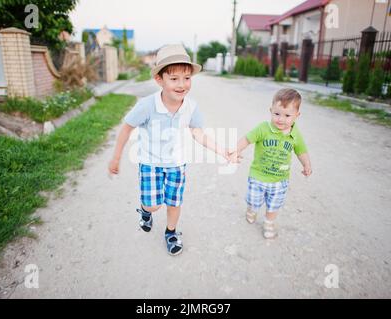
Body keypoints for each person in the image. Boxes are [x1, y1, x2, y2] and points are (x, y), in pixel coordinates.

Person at [108, 44, 229, 255]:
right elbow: (127, 128)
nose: (182, 84)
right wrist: (116, 158)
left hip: (177, 164)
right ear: (159, 80)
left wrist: (222, 151)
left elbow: (198, 133)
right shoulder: (147, 105)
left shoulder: (191, 107)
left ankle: (171, 232)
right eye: (174, 79)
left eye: (187, 78)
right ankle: (146, 211)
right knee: (154, 205)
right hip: (150, 163)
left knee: (174, 202)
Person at [229, 88, 312, 239]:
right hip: (258, 177)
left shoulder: (295, 134)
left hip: (279, 181)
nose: (281, 119)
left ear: (297, 116)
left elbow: (301, 151)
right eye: (277, 114)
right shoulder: (263, 128)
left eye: (287, 115)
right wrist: (235, 150)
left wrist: (306, 164)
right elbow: (247, 139)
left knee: (274, 205)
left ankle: (269, 222)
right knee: (254, 201)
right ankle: (252, 210)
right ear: (271, 110)